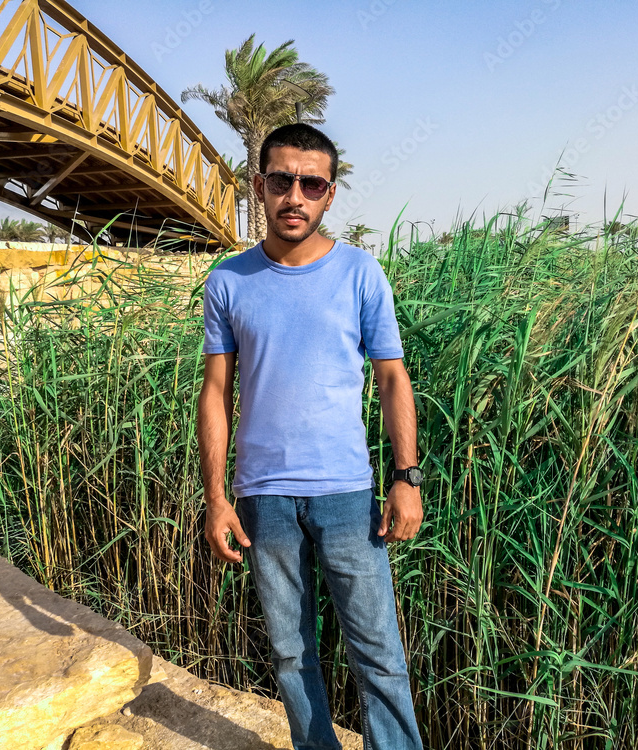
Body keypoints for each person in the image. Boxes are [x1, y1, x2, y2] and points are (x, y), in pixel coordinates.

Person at [198, 122, 425, 750]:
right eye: (281, 181)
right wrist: (216, 498)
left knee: (379, 654)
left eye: (311, 183)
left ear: (329, 194)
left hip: (347, 494)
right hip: (263, 497)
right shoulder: (228, 281)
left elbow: (391, 379)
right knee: (291, 654)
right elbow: (215, 393)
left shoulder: (360, 273)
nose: (294, 196)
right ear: (258, 186)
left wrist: (406, 479)